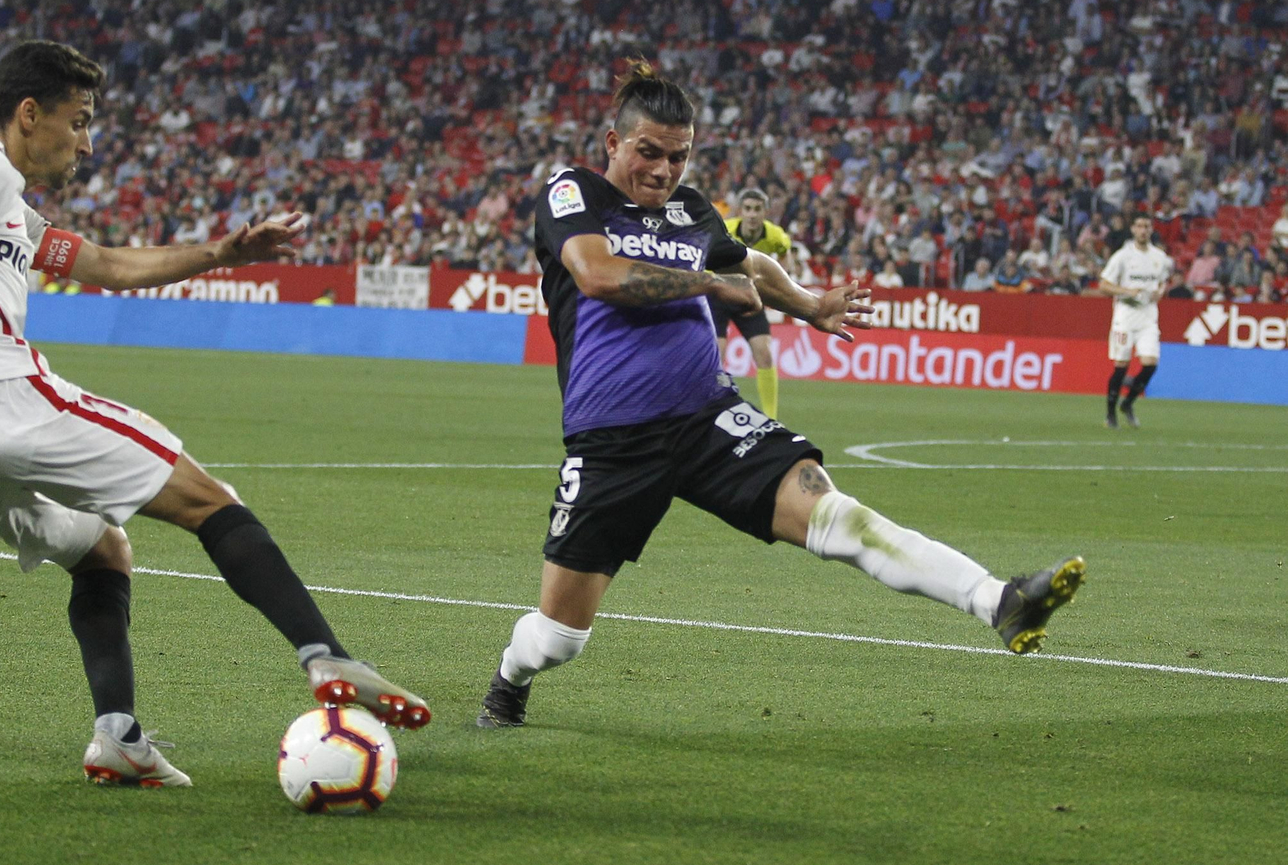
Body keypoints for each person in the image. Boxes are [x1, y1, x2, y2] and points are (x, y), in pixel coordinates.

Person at [0, 41, 430, 788]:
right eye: (78, 121)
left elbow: (109, 265)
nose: (86, 142)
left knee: (103, 550)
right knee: (209, 500)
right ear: (28, 115)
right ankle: (326, 655)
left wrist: (222, 252)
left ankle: (117, 737)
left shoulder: (4, 213)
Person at [476, 61, 1085, 730]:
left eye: (678, 157)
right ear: (612, 143)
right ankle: (510, 681)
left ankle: (1000, 601)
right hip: (613, 440)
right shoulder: (574, 193)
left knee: (836, 515)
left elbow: (752, 265)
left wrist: (807, 304)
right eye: (648, 153)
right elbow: (598, 275)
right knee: (560, 639)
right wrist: (706, 286)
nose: (662, 171)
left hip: (708, 418)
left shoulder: (690, 209)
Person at [710, 187, 789, 417]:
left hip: (748, 298)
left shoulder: (775, 235)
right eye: (748, 209)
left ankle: (771, 418)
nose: (752, 214)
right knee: (716, 356)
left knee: (764, 353)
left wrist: (779, 285)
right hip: (719, 295)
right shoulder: (726, 229)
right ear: (740, 211)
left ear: (765, 211)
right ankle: (711, 412)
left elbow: (785, 252)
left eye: (757, 209)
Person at [1097, 216, 1173, 429]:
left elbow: (1161, 283)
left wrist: (1159, 292)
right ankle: (1110, 414)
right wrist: (1127, 291)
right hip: (1125, 316)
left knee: (1150, 364)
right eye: (1139, 226)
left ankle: (1128, 403)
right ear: (1132, 229)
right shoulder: (1122, 256)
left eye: (1146, 227)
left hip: (1148, 317)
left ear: (1151, 230)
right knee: (1121, 365)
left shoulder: (1160, 257)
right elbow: (1104, 285)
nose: (1143, 230)